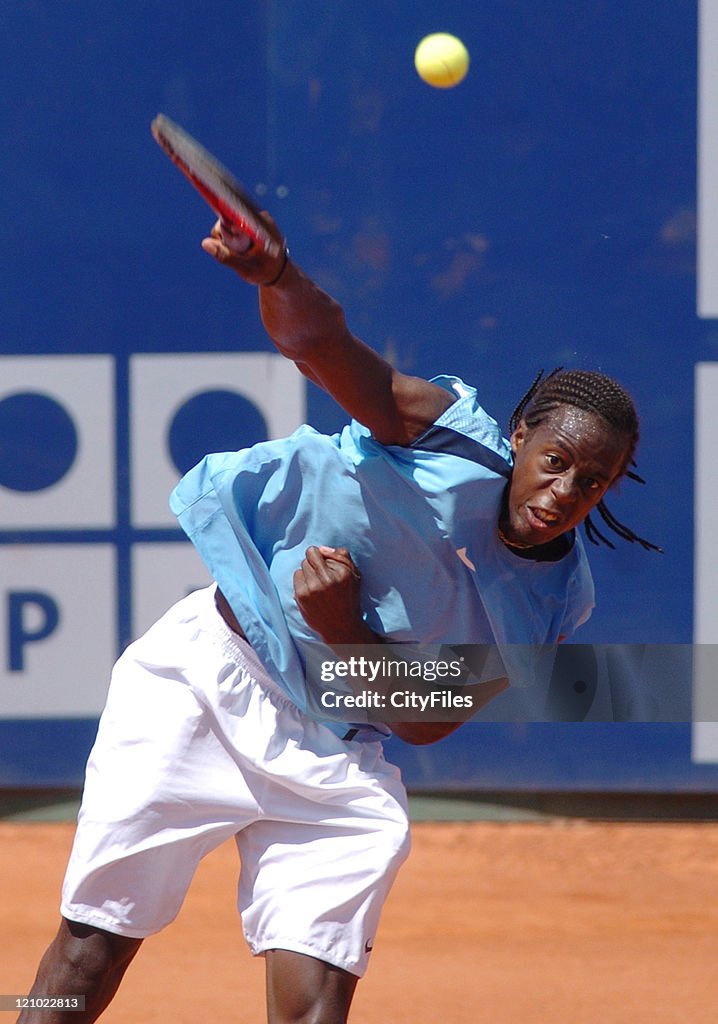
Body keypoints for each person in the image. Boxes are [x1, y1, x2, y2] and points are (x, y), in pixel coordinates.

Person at [18, 210, 658, 1024]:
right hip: (204, 682)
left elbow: (428, 723)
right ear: (522, 436)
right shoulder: (443, 439)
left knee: (317, 1003)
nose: (564, 493)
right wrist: (277, 278)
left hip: (337, 748)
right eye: (555, 463)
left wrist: (343, 627)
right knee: (90, 947)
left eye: (592, 482)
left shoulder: (554, 597)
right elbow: (324, 349)